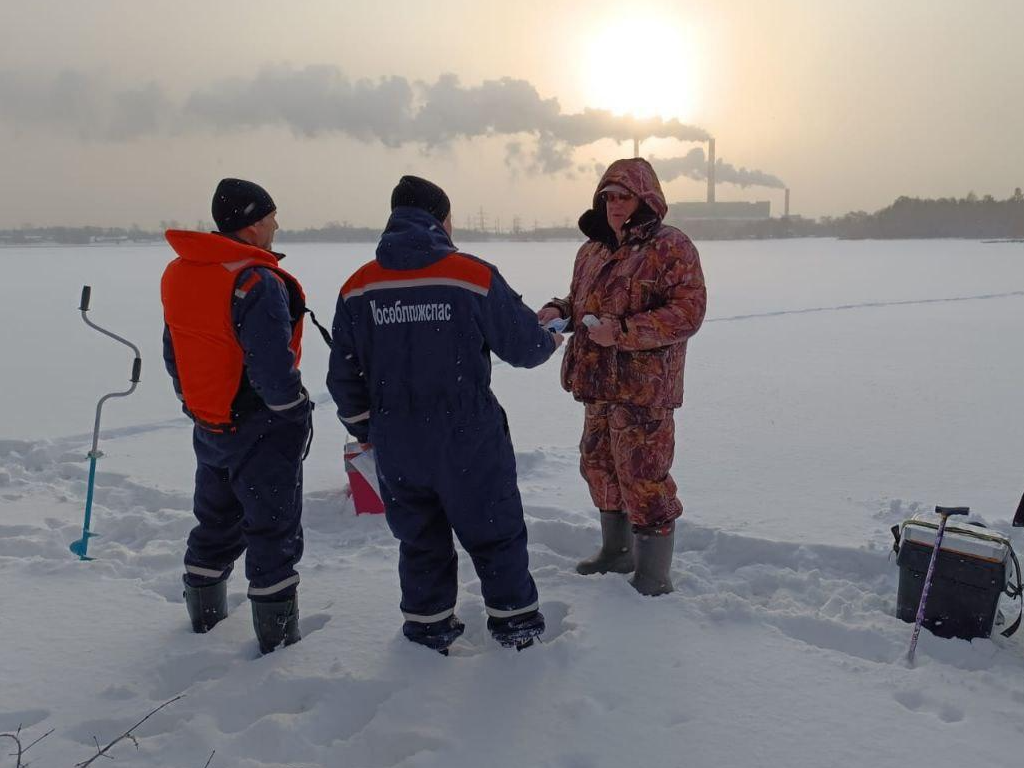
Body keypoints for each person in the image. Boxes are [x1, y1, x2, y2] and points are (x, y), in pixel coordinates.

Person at [328, 175, 562, 653]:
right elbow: (524, 346)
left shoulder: (358, 287)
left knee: (419, 540)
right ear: (441, 218)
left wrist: (367, 429)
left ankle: (427, 630)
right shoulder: (470, 275)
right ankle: (516, 630)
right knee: (495, 531)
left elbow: (343, 376)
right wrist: (551, 338)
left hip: (396, 441)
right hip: (467, 437)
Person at [537, 158, 706, 596]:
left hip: (644, 388)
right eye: (607, 197)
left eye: (623, 197)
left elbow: (688, 312)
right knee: (598, 467)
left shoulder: (671, 247)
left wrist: (625, 332)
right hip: (595, 383)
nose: (614, 205)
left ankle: (653, 574)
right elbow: (580, 301)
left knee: (644, 475)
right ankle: (617, 552)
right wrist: (559, 311)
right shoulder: (591, 250)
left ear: (645, 199)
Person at [161, 178, 313, 654]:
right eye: (270, 216)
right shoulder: (254, 281)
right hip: (260, 423)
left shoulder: (182, 271)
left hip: (209, 421)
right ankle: (278, 644)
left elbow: (174, 349)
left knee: (215, 521)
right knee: (272, 530)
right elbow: (271, 364)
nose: (276, 225)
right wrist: (293, 411)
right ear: (251, 223)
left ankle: (203, 623)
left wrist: (196, 403)